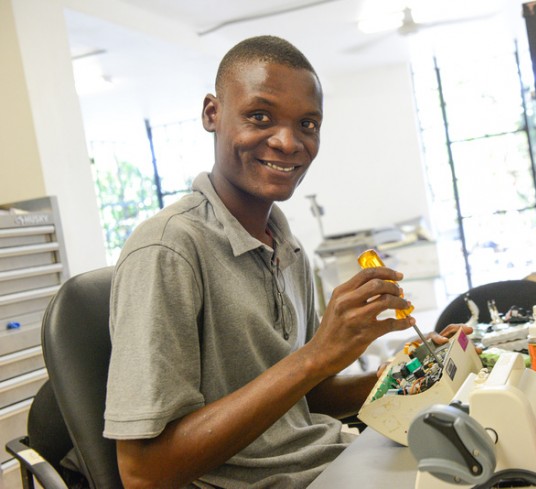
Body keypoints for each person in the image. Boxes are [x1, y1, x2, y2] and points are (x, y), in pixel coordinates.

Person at [103, 35, 465, 488]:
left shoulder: (286, 247)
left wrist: (402, 372)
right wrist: (316, 355)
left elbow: (304, 402)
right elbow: (143, 473)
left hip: (334, 460)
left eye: (308, 124)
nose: (288, 142)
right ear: (212, 114)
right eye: (260, 116)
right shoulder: (167, 250)